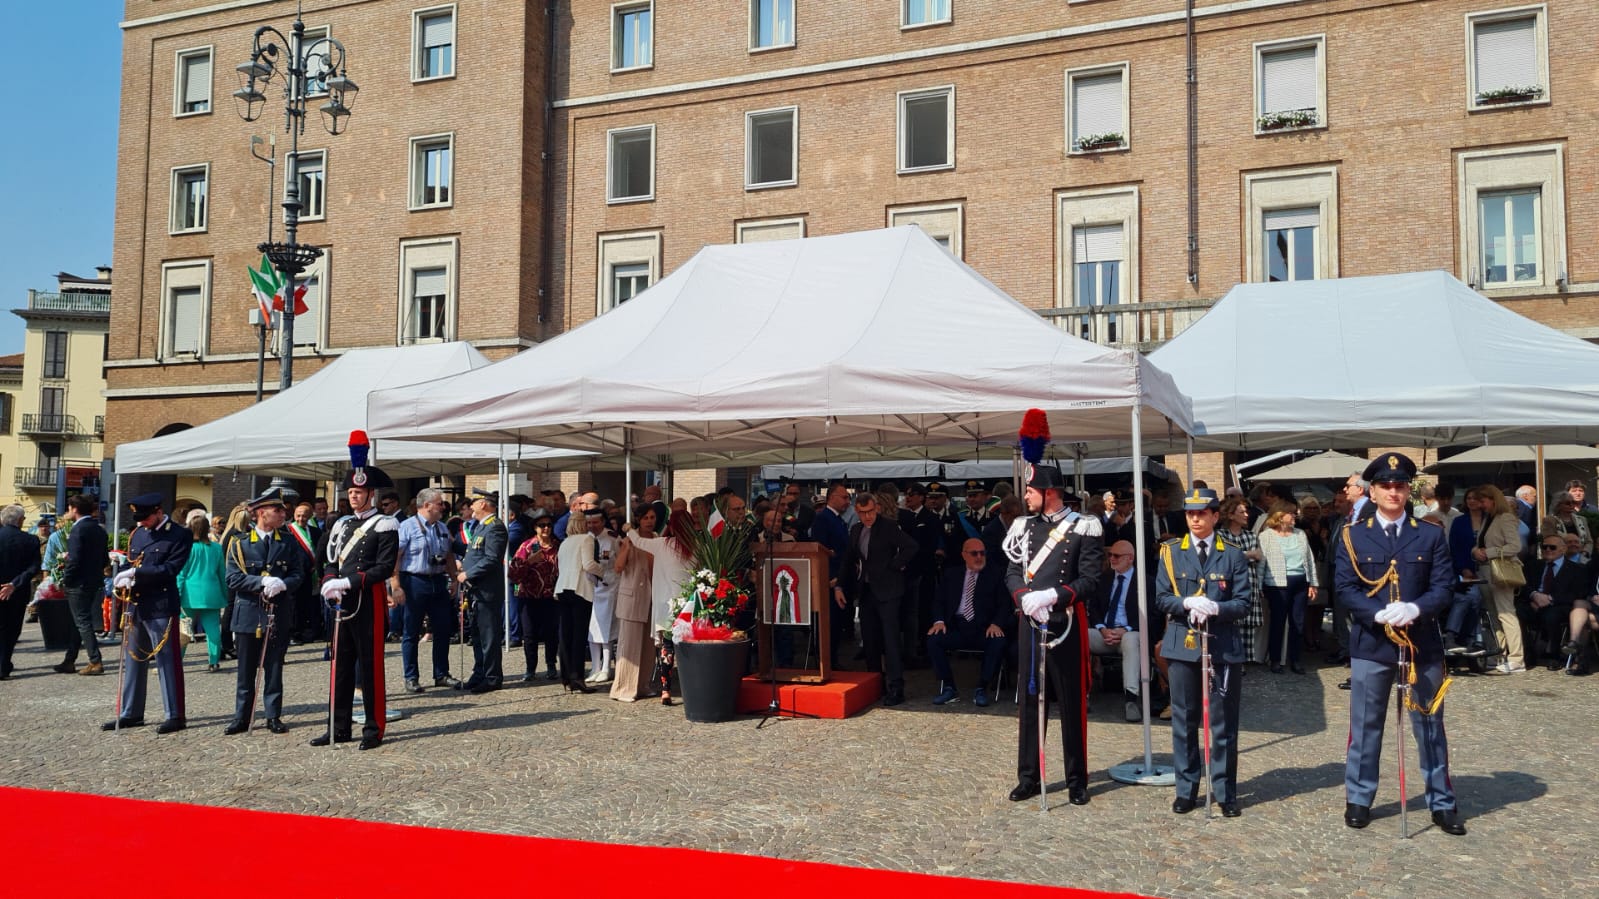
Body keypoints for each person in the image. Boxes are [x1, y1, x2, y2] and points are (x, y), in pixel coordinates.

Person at [1334, 453, 1467, 836]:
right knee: (1365, 723)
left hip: (1420, 642)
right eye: (1386, 486)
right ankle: (1359, 797)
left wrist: (1415, 607)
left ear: (1409, 491)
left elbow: (1444, 587)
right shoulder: (1352, 535)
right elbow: (1345, 588)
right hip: (1372, 642)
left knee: (1429, 724)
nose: (1394, 491)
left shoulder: (1428, 533)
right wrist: (1376, 614)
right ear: (1371, 492)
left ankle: (1441, 802)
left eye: (1401, 485)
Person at [1004, 463, 1103, 806]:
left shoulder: (1084, 527)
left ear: (1049, 493)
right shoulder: (1023, 527)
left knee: (1071, 702)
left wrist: (1053, 596)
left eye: (1030, 491)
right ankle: (1028, 776)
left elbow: (1090, 579)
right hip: (1031, 621)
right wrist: (1025, 598)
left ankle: (1077, 779)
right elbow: (1013, 573)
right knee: (1031, 702)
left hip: (1066, 623)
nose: (1025, 497)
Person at [1155, 488, 1252, 817]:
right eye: (1189, 513)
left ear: (1214, 515)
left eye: (1202, 513)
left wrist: (1216, 608)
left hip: (1222, 646)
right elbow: (1161, 598)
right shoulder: (1170, 553)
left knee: (1224, 724)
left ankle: (1225, 792)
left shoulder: (1233, 555)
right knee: (1184, 720)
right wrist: (1186, 602)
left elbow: (1243, 602)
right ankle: (1186, 789)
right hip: (1183, 645)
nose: (1195, 519)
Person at [314, 461, 400, 750]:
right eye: (350, 491)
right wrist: (329, 581)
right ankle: (337, 727)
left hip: (368, 600)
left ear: (371, 494)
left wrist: (348, 582)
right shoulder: (342, 524)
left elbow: (385, 567)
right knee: (340, 666)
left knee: (370, 666)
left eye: (359, 491)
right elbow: (329, 560)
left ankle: (373, 729)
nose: (354, 496)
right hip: (341, 601)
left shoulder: (385, 524)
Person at [223, 488, 307, 735]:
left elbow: (298, 574)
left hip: (277, 611)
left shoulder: (288, 542)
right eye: (277, 510)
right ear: (261, 513)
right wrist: (260, 582)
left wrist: (283, 583)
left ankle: (273, 715)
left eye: (283, 510)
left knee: (274, 666)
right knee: (246, 669)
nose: (283, 514)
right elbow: (233, 578)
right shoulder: (240, 543)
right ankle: (242, 716)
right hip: (249, 612)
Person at [104, 494, 191, 733]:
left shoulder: (179, 534)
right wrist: (122, 573)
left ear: (159, 511)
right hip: (135, 604)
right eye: (139, 519)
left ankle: (174, 714)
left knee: (166, 660)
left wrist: (136, 575)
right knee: (133, 659)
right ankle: (131, 712)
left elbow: (171, 568)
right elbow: (131, 561)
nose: (142, 523)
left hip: (160, 604)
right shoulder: (137, 533)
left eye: (146, 518)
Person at [837, 493, 919, 706]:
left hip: (889, 590)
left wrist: (895, 565)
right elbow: (848, 559)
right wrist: (839, 585)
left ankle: (896, 687)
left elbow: (911, 547)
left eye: (871, 512)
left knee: (890, 640)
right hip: (866, 591)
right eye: (863, 513)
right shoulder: (856, 530)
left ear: (877, 509)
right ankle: (875, 683)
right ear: (857, 512)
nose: (867, 517)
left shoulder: (889, 527)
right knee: (870, 640)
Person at [927, 538, 1008, 708]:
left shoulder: (995, 574)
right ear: (964, 555)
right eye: (974, 553)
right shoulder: (952, 574)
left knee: (998, 641)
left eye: (982, 553)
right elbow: (938, 600)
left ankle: (982, 688)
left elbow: (1004, 603)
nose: (979, 557)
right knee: (934, 640)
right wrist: (939, 621)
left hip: (983, 627)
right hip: (957, 625)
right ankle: (949, 687)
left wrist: (996, 623)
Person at [396, 488, 460, 693]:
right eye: (439, 503)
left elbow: (449, 556)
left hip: (438, 581)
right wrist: (395, 586)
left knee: (442, 629)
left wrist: (453, 579)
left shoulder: (442, 527)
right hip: (414, 581)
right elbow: (395, 558)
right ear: (426, 506)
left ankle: (441, 674)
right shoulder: (406, 527)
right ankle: (411, 677)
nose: (443, 507)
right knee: (411, 631)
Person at [1090, 539, 1152, 721]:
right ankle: (1080, 693)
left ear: (1130, 558)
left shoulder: (1144, 582)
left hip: (1129, 632)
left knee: (1131, 640)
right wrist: (1102, 629)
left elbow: (1150, 613)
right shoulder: (1105, 578)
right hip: (1105, 632)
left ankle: (1131, 699)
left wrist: (1125, 629)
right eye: (1110, 555)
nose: (1112, 559)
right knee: (1079, 637)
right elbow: (1093, 608)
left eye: (1116, 556)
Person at [1469, 484, 1526, 673]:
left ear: (1493, 500)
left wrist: (1489, 552)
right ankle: (1498, 653)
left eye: (1483, 500)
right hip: (1485, 571)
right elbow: (1481, 543)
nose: (1480, 504)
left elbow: (1515, 546)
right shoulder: (1489, 519)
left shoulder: (1506, 518)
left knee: (1506, 614)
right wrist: (1475, 551)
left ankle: (1517, 658)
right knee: (1493, 616)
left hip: (1501, 571)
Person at [457, 489, 508, 694]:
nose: (471, 507)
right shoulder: (480, 527)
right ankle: (479, 673)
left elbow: (491, 559)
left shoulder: (494, 527)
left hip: (487, 591)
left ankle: (492, 676)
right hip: (476, 591)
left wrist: (468, 573)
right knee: (477, 637)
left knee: (489, 637)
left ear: (485, 504)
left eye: (475, 503)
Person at [1258, 502, 1318, 675]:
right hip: (1277, 585)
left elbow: (1309, 559)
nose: (1295, 516)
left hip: (1300, 582)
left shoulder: (1300, 534)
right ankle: (1275, 660)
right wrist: (1260, 583)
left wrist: (1313, 582)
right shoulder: (1266, 536)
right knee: (1278, 622)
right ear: (1279, 515)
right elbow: (1262, 562)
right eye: (1291, 513)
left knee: (1298, 623)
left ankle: (1296, 659)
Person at [55, 495, 109, 676]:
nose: (67, 512)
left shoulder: (78, 530)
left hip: (78, 582)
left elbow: (75, 559)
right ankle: (69, 660)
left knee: (83, 622)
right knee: (77, 621)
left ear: (74, 509)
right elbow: (104, 559)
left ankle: (95, 660)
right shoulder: (99, 529)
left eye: (68, 508)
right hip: (94, 580)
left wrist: (66, 578)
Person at [610, 507, 657, 701]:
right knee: (629, 645)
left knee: (648, 645)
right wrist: (628, 547)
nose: (649, 521)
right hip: (632, 596)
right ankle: (623, 688)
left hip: (651, 595)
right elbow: (618, 567)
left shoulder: (656, 537)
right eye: (645, 517)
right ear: (638, 519)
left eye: (652, 517)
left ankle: (642, 685)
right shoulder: (629, 539)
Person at [553, 507, 602, 692]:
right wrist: (603, 571)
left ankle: (566, 676)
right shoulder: (587, 539)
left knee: (566, 634)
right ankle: (577, 677)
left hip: (562, 588)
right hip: (579, 588)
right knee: (579, 635)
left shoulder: (565, 542)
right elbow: (589, 564)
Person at [509, 511, 560, 682]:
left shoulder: (558, 546)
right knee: (529, 634)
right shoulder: (527, 546)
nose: (546, 528)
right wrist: (529, 561)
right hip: (528, 596)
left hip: (551, 596)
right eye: (541, 525)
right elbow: (513, 574)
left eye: (549, 525)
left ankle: (551, 664)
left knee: (551, 633)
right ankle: (530, 668)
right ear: (535, 528)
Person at [177, 511, 229, 672]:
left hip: (189, 594)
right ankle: (214, 660)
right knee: (213, 629)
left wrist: (176, 593)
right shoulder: (216, 548)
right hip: (212, 592)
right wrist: (225, 593)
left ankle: (178, 660)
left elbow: (181, 574)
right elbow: (222, 573)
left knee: (184, 629)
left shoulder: (187, 548)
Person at [1217, 495, 1265, 665]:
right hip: (1228, 586)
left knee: (1248, 624)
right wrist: (1247, 555)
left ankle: (1244, 660)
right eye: (1242, 511)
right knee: (1232, 622)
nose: (1246, 515)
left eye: (1247, 511)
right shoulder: (1220, 536)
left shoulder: (1251, 536)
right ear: (1230, 515)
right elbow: (1223, 561)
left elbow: (1258, 557)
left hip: (1249, 582)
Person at [0, 505, 42, 681]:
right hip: (17, 591)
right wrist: (13, 584)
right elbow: (33, 568)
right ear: (20, 520)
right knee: (11, 629)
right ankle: (3, 665)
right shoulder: (31, 540)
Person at [588, 509, 620, 683]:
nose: (592, 525)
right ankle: (595, 666)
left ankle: (607, 666)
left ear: (602, 522)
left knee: (606, 629)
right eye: (589, 522)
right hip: (591, 587)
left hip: (609, 587)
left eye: (596, 522)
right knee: (592, 629)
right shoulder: (586, 539)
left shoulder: (612, 538)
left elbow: (620, 561)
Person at [287, 502, 324, 642]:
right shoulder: (288, 531)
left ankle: (306, 630)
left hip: (311, 574)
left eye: (304, 516)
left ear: (309, 517)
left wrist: (317, 564)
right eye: (298, 516)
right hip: (295, 574)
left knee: (308, 603)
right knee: (295, 604)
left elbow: (320, 550)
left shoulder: (315, 532)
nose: (300, 519)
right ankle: (294, 632)